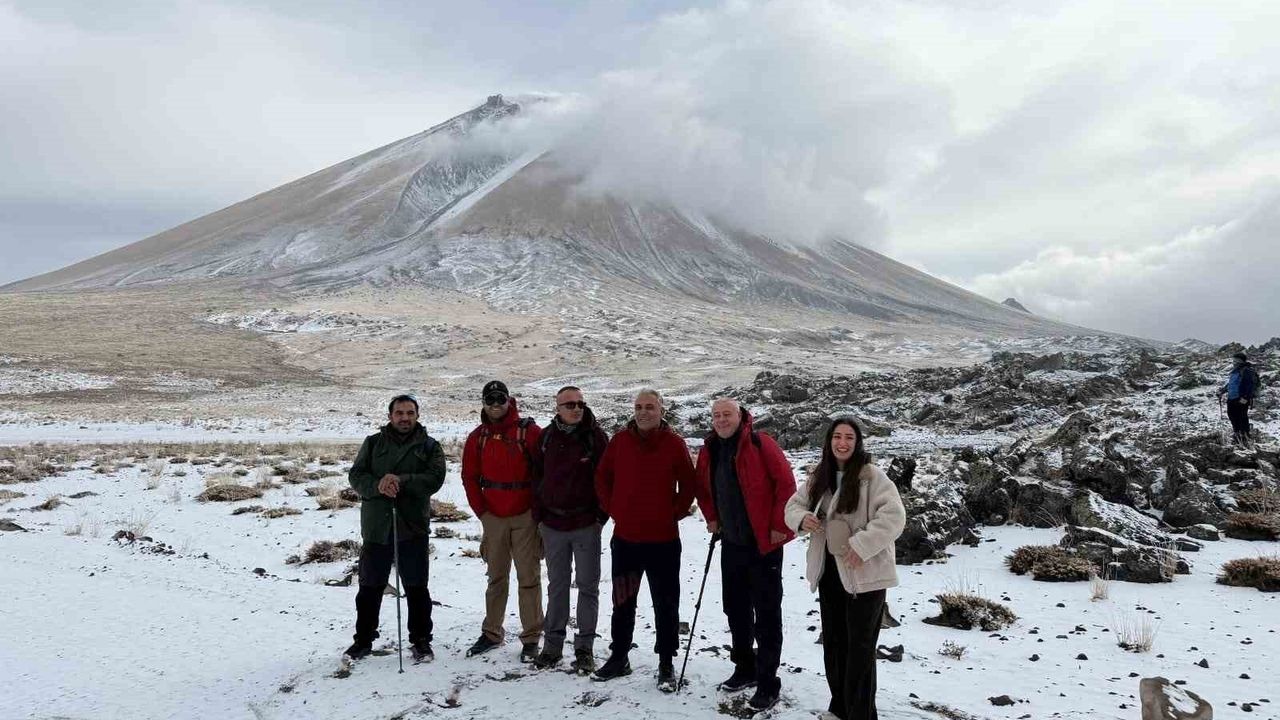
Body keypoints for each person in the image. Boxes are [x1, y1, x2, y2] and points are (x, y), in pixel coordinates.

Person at [785, 418, 905, 720]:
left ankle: (861, 714)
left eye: (849, 437)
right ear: (829, 441)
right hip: (831, 574)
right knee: (836, 645)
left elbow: (894, 516)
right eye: (837, 437)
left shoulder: (872, 477)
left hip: (866, 576)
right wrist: (802, 519)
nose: (842, 443)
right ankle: (839, 707)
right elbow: (792, 506)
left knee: (861, 650)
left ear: (857, 442)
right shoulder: (819, 476)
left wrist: (862, 545)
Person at [693, 398, 796, 711]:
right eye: (717, 415)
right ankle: (744, 667)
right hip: (732, 543)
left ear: (740, 416)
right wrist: (711, 516)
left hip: (764, 545)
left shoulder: (760, 443)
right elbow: (702, 488)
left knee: (766, 615)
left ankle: (768, 682)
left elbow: (786, 484)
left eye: (727, 414)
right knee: (735, 609)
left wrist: (780, 526)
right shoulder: (710, 449)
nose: (722, 419)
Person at [592, 388, 696, 692]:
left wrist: (670, 514)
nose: (643, 412)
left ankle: (666, 662)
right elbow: (602, 478)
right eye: (638, 407)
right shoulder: (620, 442)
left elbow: (688, 486)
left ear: (661, 409)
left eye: (650, 406)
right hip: (626, 540)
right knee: (622, 601)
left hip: (663, 541)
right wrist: (614, 508)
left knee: (666, 603)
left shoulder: (674, 444)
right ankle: (619, 657)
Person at [345, 394, 447, 662]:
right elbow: (356, 475)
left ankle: (421, 640)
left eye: (410, 413)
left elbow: (435, 479)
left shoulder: (429, 446)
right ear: (390, 416)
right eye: (399, 413)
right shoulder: (373, 443)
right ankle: (363, 640)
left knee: (416, 588)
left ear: (417, 415)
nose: (405, 418)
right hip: (377, 526)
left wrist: (400, 480)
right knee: (369, 587)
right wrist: (378, 485)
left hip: (412, 526)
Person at [461, 380, 544, 661]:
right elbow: (469, 478)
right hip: (493, 517)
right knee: (496, 577)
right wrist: (482, 513)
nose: (495, 404)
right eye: (490, 399)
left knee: (528, 578)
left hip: (525, 517)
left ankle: (531, 637)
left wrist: (536, 511)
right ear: (483, 402)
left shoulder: (529, 433)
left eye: (500, 398)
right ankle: (492, 632)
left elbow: (544, 472)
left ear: (510, 400)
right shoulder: (477, 438)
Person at [531, 386, 609, 673]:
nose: (576, 408)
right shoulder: (546, 438)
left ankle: (584, 648)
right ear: (558, 408)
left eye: (580, 403)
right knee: (557, 587)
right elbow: (536, 477)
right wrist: (539, 516)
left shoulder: (595, 437)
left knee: (588, 587)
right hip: (553, 525)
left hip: (586, 524)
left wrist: (601, 516)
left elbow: (607, 477)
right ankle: (552, 647)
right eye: (570, 404)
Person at [1218, 351, 1260, 447]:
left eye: (1235, 360)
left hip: (1241, 399)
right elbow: (1231, 385)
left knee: (1242, 417)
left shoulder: (1246, 371)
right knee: (1232, 415)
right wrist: (1222, 391)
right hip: (1232, 398)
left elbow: (1248, 385)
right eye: (1233, 360)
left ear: (1240, 361)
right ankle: (1237, 434)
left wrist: (1245, 398)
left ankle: (1245, 437)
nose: (1233, 362)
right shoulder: (1234, 372)